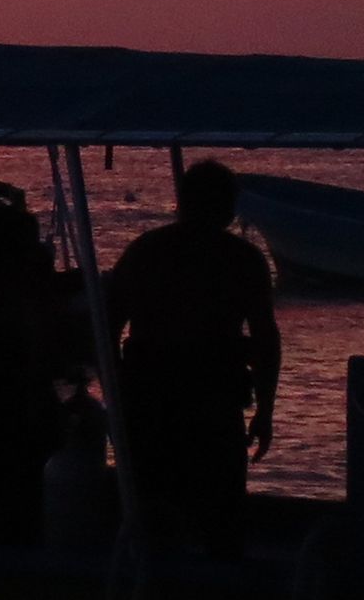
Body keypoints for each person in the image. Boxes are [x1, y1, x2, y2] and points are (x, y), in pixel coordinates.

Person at [104, 157, 282, 557]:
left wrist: (117, 394)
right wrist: (266, 409)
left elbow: (106, 327)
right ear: (228, 207)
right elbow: (266, 340)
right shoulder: (241, 260)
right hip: (202, 401)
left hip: (158, 398)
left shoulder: (148, 251)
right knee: (215, 512)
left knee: (156, 508)